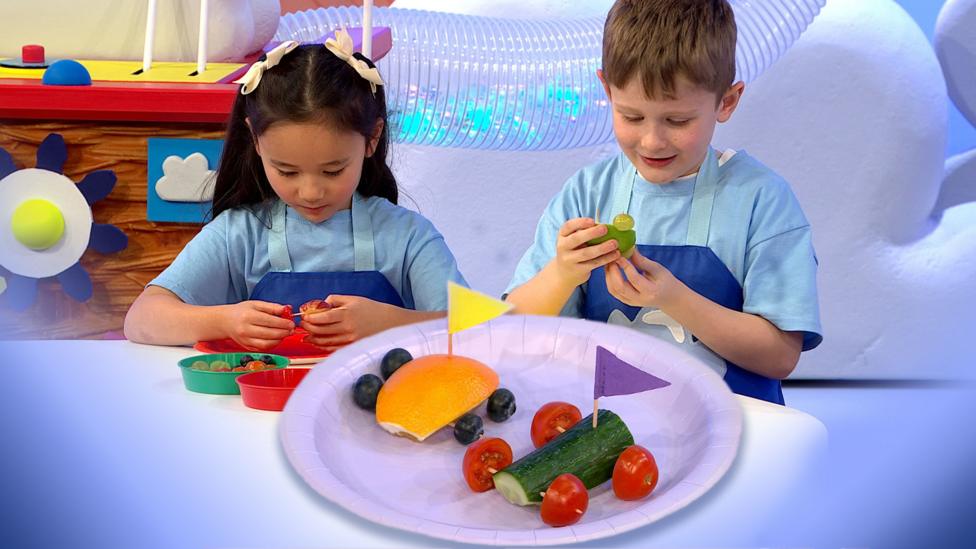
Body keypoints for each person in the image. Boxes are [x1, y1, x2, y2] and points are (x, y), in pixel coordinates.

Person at [505, 0, 822, 404]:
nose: (652, 141)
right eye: (632, 117)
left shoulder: (762, 201)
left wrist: (673, 299)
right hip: (613, 427)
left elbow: (780, 356)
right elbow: (512, 329)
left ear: (726, 102)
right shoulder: (587, 194)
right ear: (607, 90)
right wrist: (562, 273)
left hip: (736, 424)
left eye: (678, 120)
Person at [125, 29, 465, 351]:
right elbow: (141, 319)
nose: (311, 192)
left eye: (333, 170)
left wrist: (390, 324)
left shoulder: (408, 237)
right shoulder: (239, 235)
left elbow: (475, 328)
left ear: (372, 138)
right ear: (255, 140)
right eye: (286, 171)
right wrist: (225, 320)